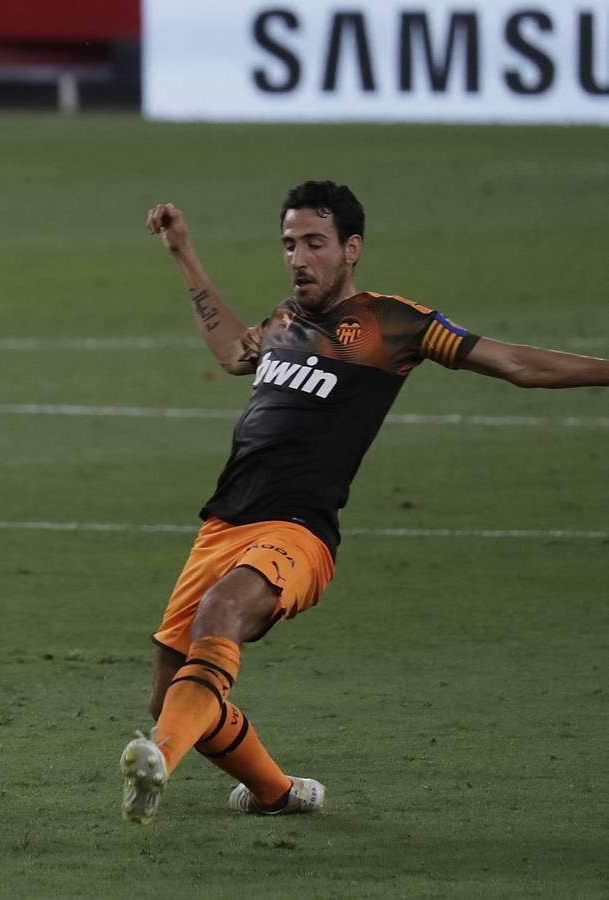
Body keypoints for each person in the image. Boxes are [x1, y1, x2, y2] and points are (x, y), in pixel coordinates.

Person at [120, 180, 609, 825]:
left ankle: (157, 760)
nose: (299, 258)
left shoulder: (392, 323)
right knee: (171, 692)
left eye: (315, 243)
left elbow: (513, 362)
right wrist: (182, 251)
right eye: (289, 244)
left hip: (297, 531)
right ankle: (275, 793)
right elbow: (232, 351)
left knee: (223, 612)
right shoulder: (285, 323)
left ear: (351, 249)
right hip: (223, 523)